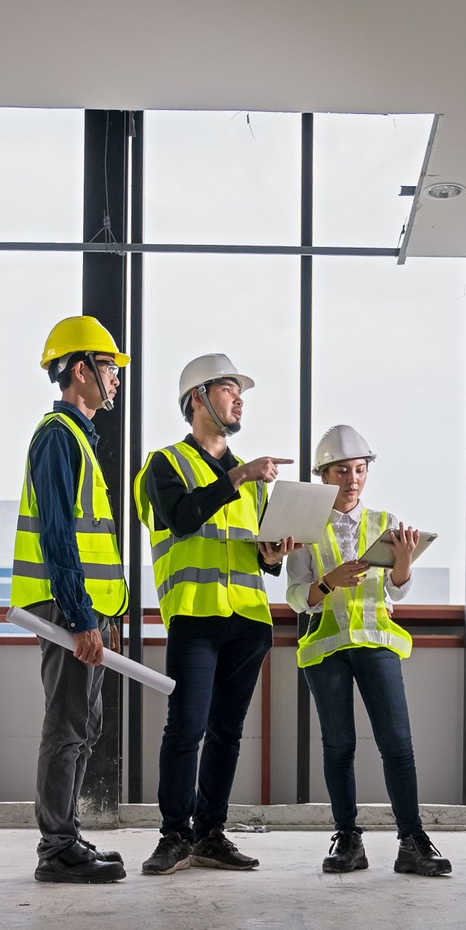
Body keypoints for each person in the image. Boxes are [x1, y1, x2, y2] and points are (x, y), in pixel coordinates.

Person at [133, 354, 296, 876]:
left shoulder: (253, 482)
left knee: (228, 732)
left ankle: (210, 833)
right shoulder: (163, 465)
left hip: (248, 620)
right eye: (228, 388)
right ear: (197, 399)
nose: (239, 397)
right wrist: (241, 474)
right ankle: (174, 833)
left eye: (240, 390)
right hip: (196, 618)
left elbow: (256, 555)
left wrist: (272, 556)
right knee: (186, 729)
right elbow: (181, 519)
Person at [286, 425, 451, 877]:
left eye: (360, 470)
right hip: (327, 650)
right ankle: (348, 840)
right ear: (323, 475)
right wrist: (327, 582)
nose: (352, 479)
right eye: (342, 470)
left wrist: (403, 566)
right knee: (338, 746)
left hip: (377, 644)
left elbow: (397, 593)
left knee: (398, 744)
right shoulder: (304, 530)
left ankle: (412, 841)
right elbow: (296, 596)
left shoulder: (385, 522)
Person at [11, 316, 131, 884]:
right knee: (66, 725)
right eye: (108, 367)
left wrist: (103, 618)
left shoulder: (79, 439)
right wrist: (82, 618)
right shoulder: (59, 438)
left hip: (85, 614)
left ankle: (68, 836)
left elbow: (88, 545)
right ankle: (56, 847)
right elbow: (59, 536)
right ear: (79, 370)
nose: (114, 378)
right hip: (67, 613)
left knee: (83, 726)